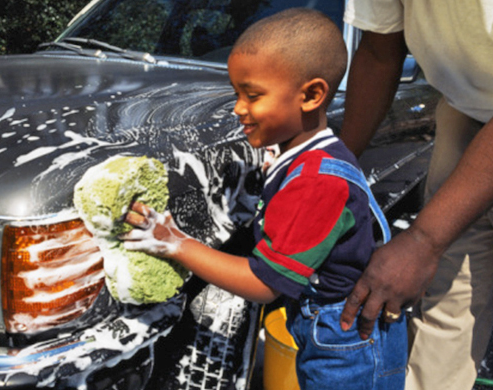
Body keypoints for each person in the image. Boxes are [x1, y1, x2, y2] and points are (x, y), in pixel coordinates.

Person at [119, 8, 407, 389]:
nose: (238, 108)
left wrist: (175, 242)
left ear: (311, 95)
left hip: (345, 347)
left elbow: (264, 283)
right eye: (237, 93)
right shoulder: (311, 153)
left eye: (252, 95)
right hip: (335, 332)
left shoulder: (316, 182)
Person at [338, 1, 493, 389]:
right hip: (468, 111)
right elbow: (379, 50)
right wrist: (337, 172)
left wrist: (424, 240)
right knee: (444, 303)